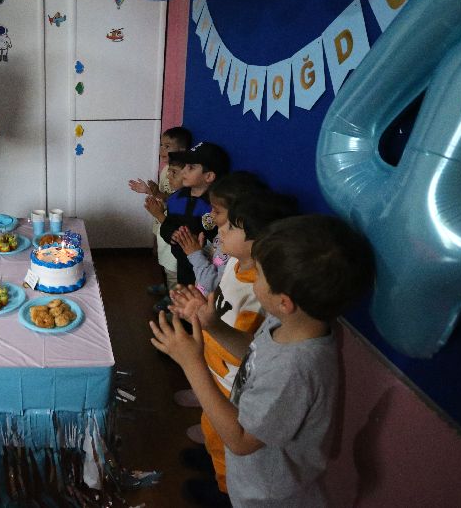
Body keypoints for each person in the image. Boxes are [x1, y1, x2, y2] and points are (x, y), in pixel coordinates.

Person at [152, 215, 376, 507]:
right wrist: (213, 325)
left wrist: (191, 363)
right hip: (249, 470)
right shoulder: (290, 323)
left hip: (267, 494)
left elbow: (242, 440)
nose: (252, 280)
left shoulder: (296, 369)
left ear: (284, 301)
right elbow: (256, 351)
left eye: (258, 275)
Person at [170, 191, 299, 499]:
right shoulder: (232, 264)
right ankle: (216, 464)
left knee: (224, 435)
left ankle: (225, 489)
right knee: (212, 426)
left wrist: (193, 359)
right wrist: (200, 311)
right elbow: (219, 305)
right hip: (215, 368)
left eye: (228, 228)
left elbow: (250, 349)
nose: (220, 231)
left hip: (232, 380)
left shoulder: (262, 289)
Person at [157, 141, 230, 305]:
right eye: (184, 166)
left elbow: (215, 235)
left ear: (209, 176)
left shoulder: (214, 206)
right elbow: (168, 224)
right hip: (182, 259)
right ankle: (184, 318)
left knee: (201, 298)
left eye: (190, 167)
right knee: (184, 292)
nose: (183, 171)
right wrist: (171, 234)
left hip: (205, 264)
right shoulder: (176, 198)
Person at [129, 126, 193, 297]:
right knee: (164, 262)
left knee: (173, 267)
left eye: (167, 146)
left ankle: (173, 300)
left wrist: (157, 196)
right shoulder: (166, 169)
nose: (162, 150)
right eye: (161, 145)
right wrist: (150, 191)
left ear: (182, 150)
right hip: (161, 224)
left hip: (169, 225)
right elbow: (165, 195)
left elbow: (172, 199)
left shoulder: (184, 175)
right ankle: (167, 288)